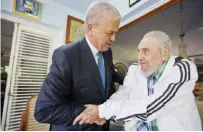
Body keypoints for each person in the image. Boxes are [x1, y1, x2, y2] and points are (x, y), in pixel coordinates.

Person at [73, 31, 202, 131]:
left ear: (165, 53)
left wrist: (102, 111)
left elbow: (155, 105)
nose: (139, 57)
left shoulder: (183, 67)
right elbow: (123, 94)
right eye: (139, 51)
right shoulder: (135, 68)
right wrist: (105, 113)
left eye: (145, 51)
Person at [34, 1, 124, 131]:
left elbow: (110, 73)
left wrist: (134, 76)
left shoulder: (107, 52)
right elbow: (44, 111)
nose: (114, 38)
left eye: (116, 32)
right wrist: (94, 112)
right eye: (110, 33)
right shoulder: (66, 55)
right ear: (90, 29)